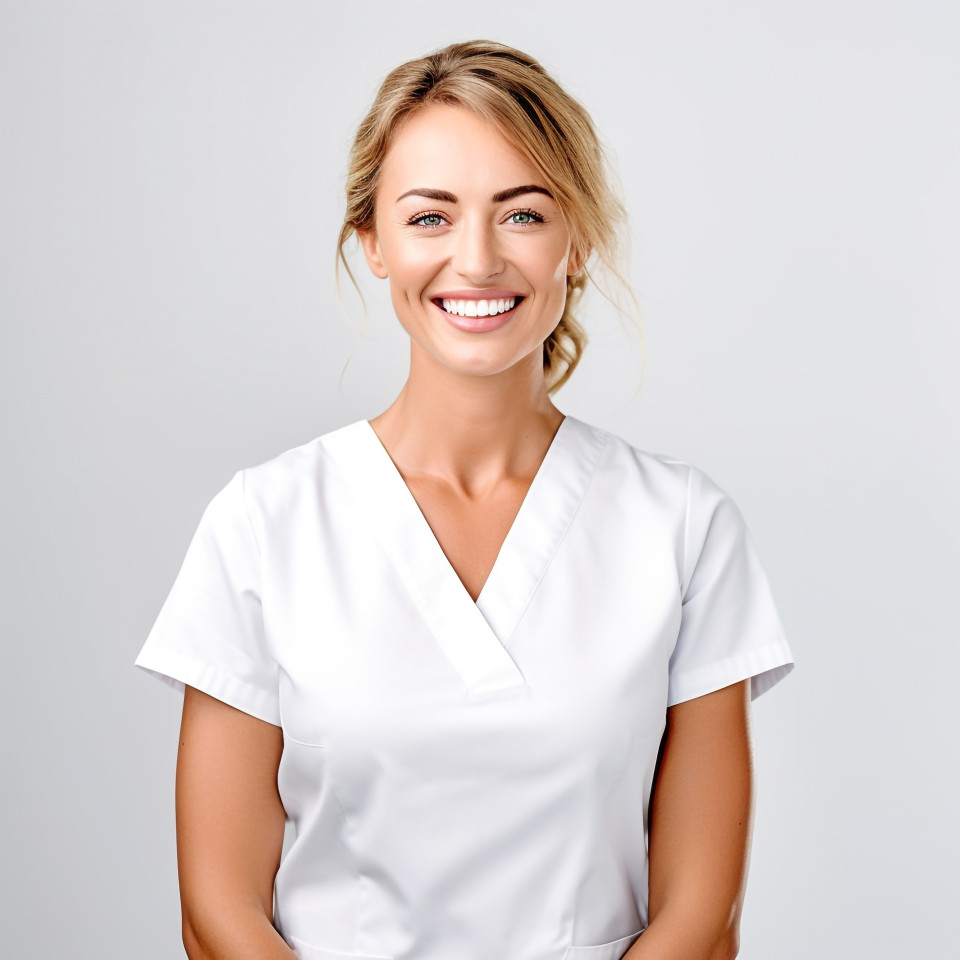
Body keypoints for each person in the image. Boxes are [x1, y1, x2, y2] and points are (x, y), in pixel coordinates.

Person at [135, 40, 795, 960]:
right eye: (430, 217)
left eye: (522, 213)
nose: (477, 260)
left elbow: (701, 918)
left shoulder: (681, 529)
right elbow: (218, 914)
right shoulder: (263, 525)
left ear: (578, 242)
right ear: (372, 241)